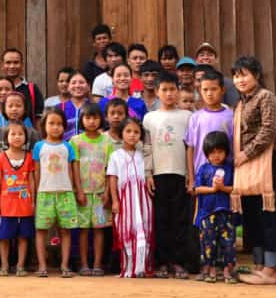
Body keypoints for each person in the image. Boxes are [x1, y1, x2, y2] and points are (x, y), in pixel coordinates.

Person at [230, 56, 276, 286]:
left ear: (257, 76)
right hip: (245, 165)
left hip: (262, 161)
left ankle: (271, 270)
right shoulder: (240, 103)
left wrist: (246, 153)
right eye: (236, 75)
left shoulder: (266, 97)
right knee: (252, 218)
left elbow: (269, 130)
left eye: (244, 74)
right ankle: (259, 266)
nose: (240, 80)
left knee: (268, 215)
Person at [143, 71, 193, 279]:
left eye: (173, 89)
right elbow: (146, 147)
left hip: (181, 173)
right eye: (164, 90)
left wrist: (191, 175)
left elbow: (191, 146)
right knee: (161, 220)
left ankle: (179, 262)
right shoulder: (149, 118)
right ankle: (162, 262)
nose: (169, 93)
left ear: (179, 90)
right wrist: (148, 173)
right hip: (159, 174)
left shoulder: (187, 116)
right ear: (156, 92)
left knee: (181, 220)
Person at [33, 109, 82, 278]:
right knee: (41, 230)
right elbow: (36, 172)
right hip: (44, 194)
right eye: (51, 123)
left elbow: (73, 170)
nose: (55, 127)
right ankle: (42, 265)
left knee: (66, 230)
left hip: (65, 193)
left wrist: (78, 190)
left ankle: (64, 265)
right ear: (44, 126)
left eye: (59, 124)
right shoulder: (39, 146)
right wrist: (35, 194)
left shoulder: (68, 146)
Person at [70, 102, 114, 276]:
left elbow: (110, 169)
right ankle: (83, 264)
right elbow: (74, 167)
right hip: (83, 194)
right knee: (83, 229)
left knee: (99, 229)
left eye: (95, 118)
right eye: (87, 118)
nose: (91, 121)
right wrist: (78, 191)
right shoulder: (76, 141)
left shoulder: (107, 141)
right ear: (81, 120)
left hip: (100, 193)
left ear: (101, 119)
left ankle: (97, 264)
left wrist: (108, 193)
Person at [108, 117, 153, 278]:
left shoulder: (144, 155)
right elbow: (112, 178)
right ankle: (128, 267)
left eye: (136, 132)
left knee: (144, 229)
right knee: (126, 230)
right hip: (125, 200)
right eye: (128, 131)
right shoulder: (115, 156)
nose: (132, 135)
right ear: (121, 134)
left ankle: (141, 267)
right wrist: (114, 200)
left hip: (142, 199)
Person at [0, 120, 36, 277]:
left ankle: (20, 266)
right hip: (6, 205)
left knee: (23, 237)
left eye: (20, 134)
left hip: (24, 205)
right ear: (6, 137)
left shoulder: (30, 157)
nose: (17, 137)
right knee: (4, 237)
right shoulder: (1, 157)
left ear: (26, 137)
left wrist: (33, 201)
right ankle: (4, 265)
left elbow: (31, 180)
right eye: (13, 134)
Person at [194, 131, 236, 283]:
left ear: (226, 152)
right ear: (207, 154)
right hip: (207, 213)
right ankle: (210, 270)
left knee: (228, 243)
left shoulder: (230, 169)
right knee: (208, 242)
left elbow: (235, 188)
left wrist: (223, 188)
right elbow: (197, 189)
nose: (216, 155)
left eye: (220, 152)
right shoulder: (203, 169)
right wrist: (212, 189)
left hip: (226, 212)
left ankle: (227, 271)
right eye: (212, 152)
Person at [185, 70, 234, 195]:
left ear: (223, 90)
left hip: (226, 176)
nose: (209, 94)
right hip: (202, 176)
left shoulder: (231, 116)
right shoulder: (195, 117)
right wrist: (191, 179)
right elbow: (190, 148)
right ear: (200, 91)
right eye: (205, 90)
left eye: (214, 89)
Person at [0, 48, 43, 120]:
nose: (12, 66)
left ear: (22, 65)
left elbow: (38, 118)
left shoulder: (32, 89)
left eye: (16, 62)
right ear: (2, 65)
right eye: (8, 62)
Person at [57, 70, 92, 138]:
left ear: (88, 86)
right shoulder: (59, 108)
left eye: (81, 82)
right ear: (68, 87)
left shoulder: (95, 108)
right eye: (73, 83)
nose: (77, 86)